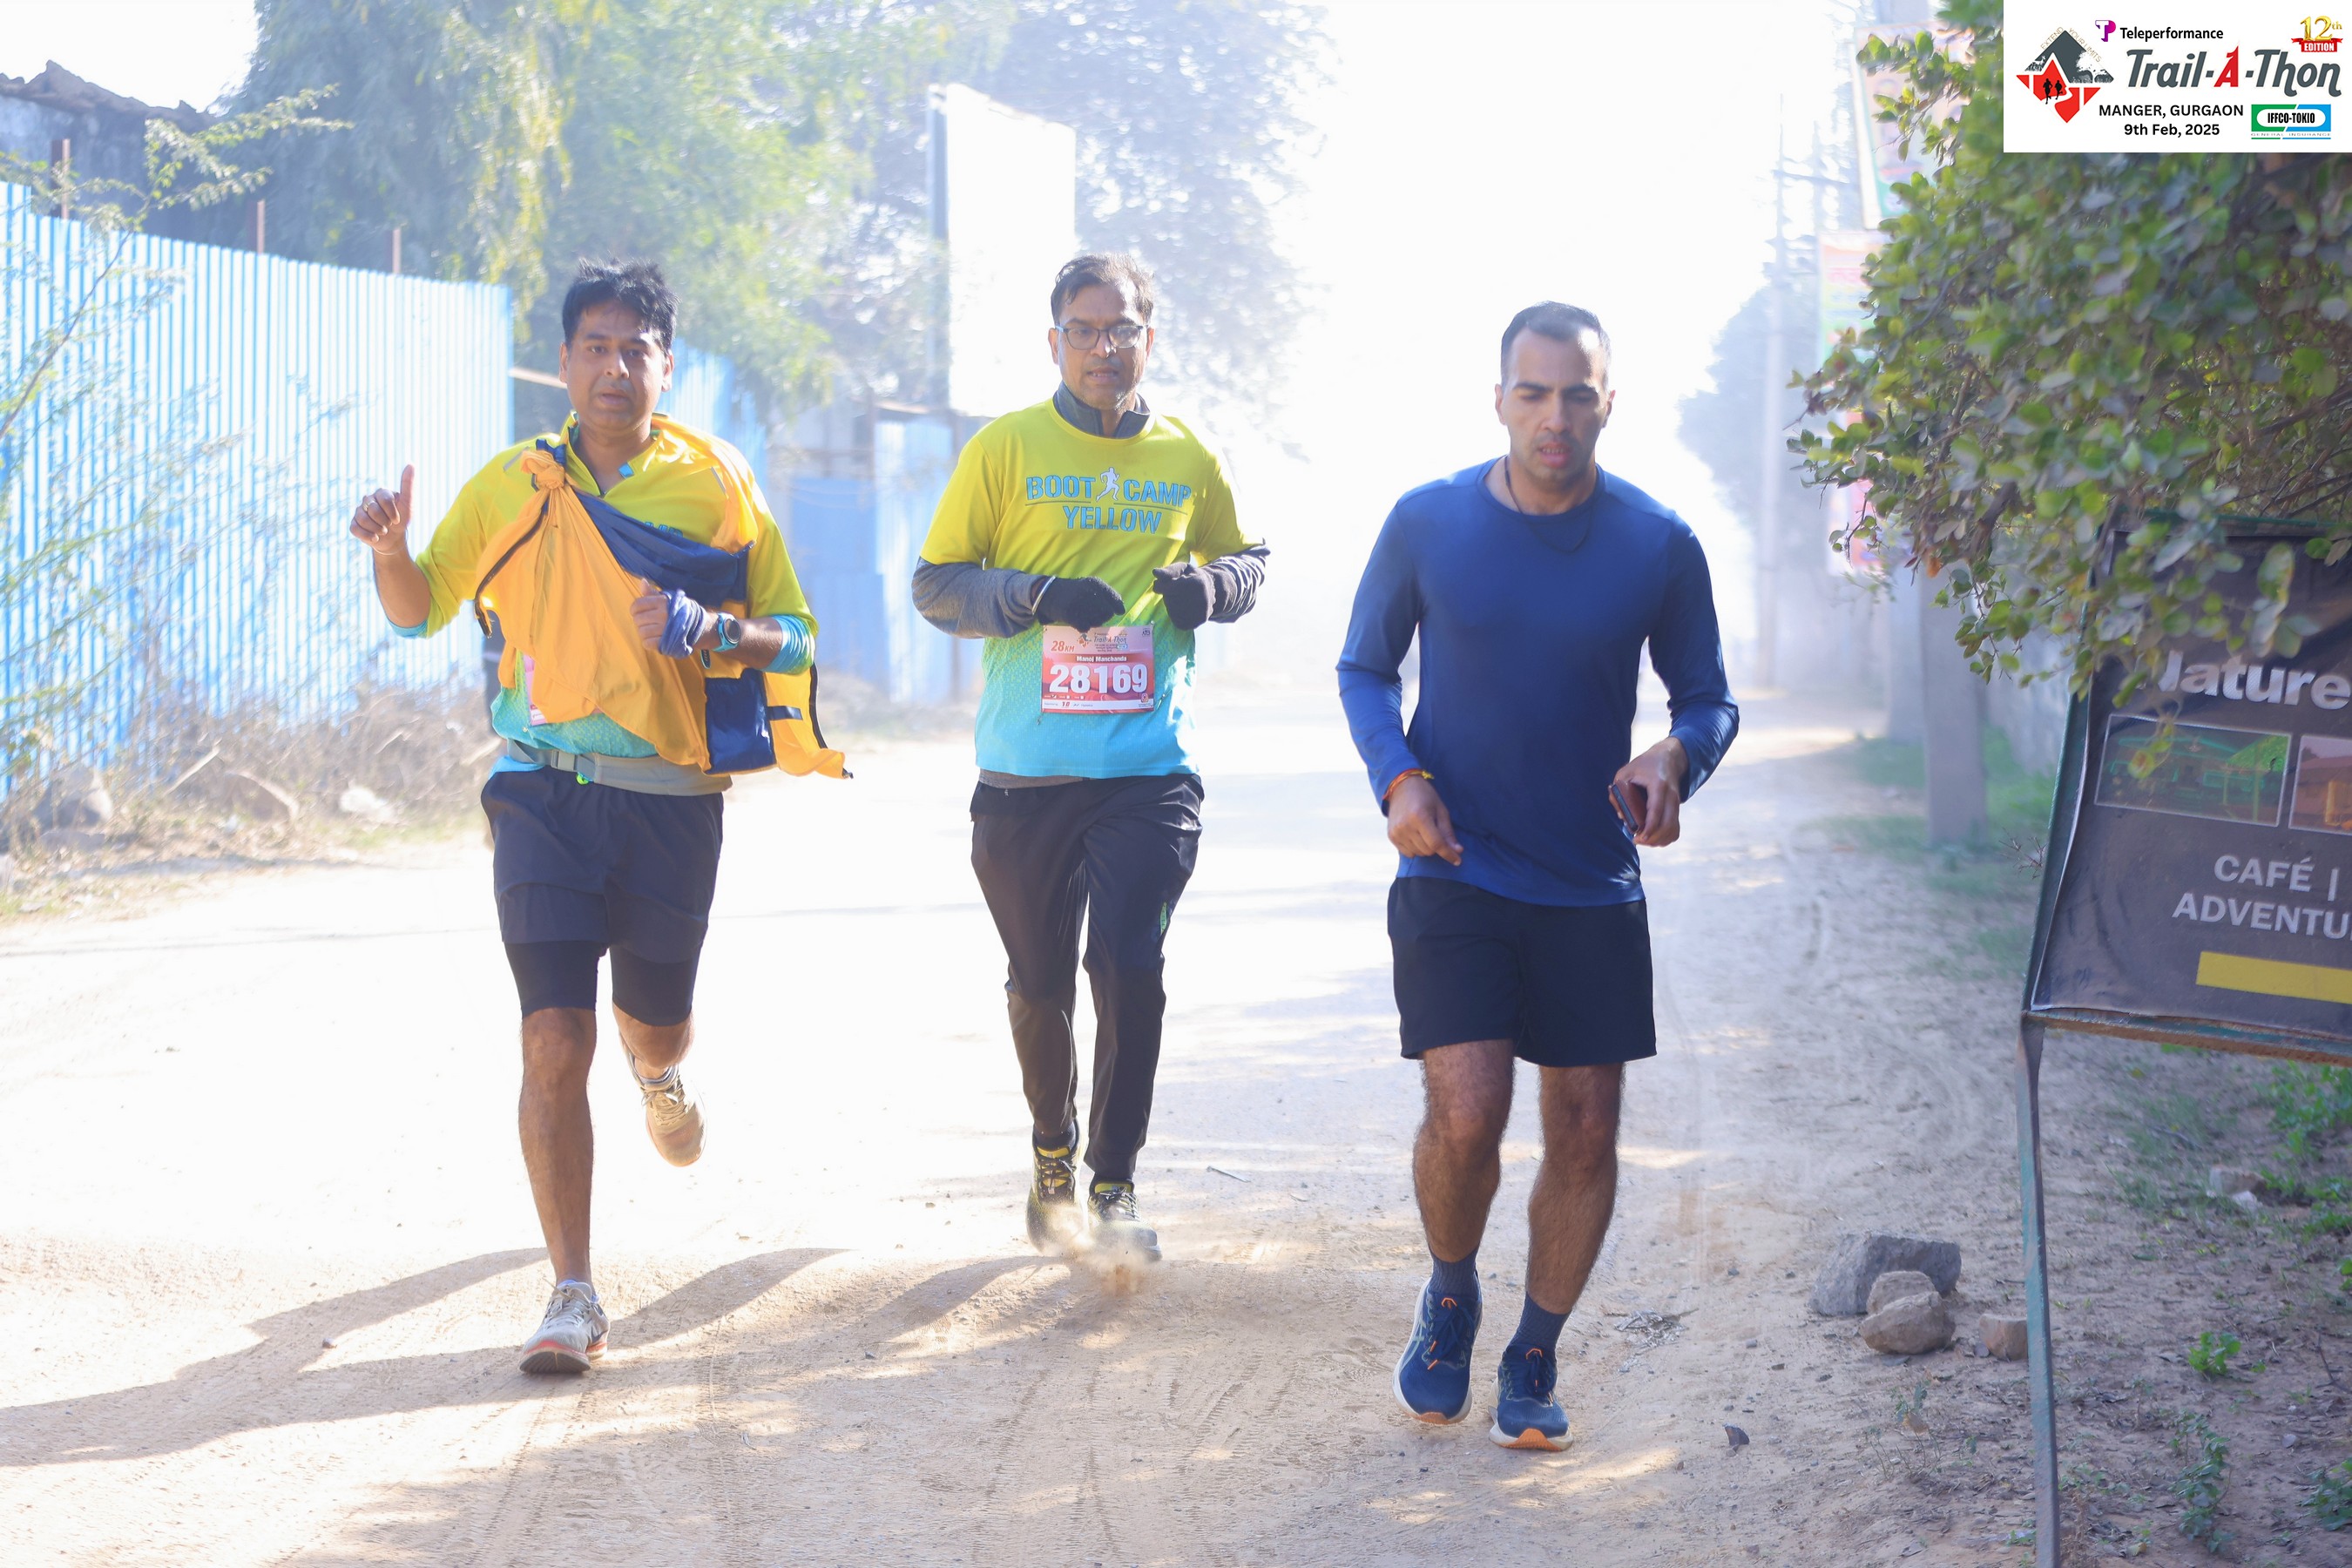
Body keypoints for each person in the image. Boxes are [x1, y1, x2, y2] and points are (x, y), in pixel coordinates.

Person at [347, 260, 833, 1373]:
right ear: (563, 363)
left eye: (636, 350)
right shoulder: (515, 483)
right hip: (542, 791)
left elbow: (795, 636)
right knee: (553, 1038)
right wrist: (389, 553)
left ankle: (658, 1075)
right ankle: (572, 1292)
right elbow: (420, 614)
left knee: (651, 1025)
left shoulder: (717, 483)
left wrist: (712, 630)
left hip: (671, 804)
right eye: (595, 347)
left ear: (667, 366)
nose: (615, 367)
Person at [1336, 302, 1737, 1450]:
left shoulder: (1657, 543)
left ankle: (1535, 1350)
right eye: (1533, 392)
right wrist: (1399, 779)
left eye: (1576, 394)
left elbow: (1708, 699)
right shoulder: (1428, 521)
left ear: (1608, 403)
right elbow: (1365, 668)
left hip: (1590, 882)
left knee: (1586, 1131)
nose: (1554, 416)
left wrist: (1674, 759)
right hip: (1455, 864)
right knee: (1467, 1118)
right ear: (1500, 399)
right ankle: (1451, 1291)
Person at [912, 252, 1268, 1264]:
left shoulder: (1190, 454)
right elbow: (936, 586)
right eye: (1084, 330)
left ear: (1150, 338)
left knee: (1130, 966)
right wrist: (1034, 598)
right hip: (1025, 771)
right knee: (1039, 985)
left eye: (1122, 330)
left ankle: (1114, 1185)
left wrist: (1214, 591)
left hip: (1148, 769)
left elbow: (1247, 561)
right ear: (1054, 341)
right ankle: (1051, 1154)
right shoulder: (1005, 448)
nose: (1103, 348)